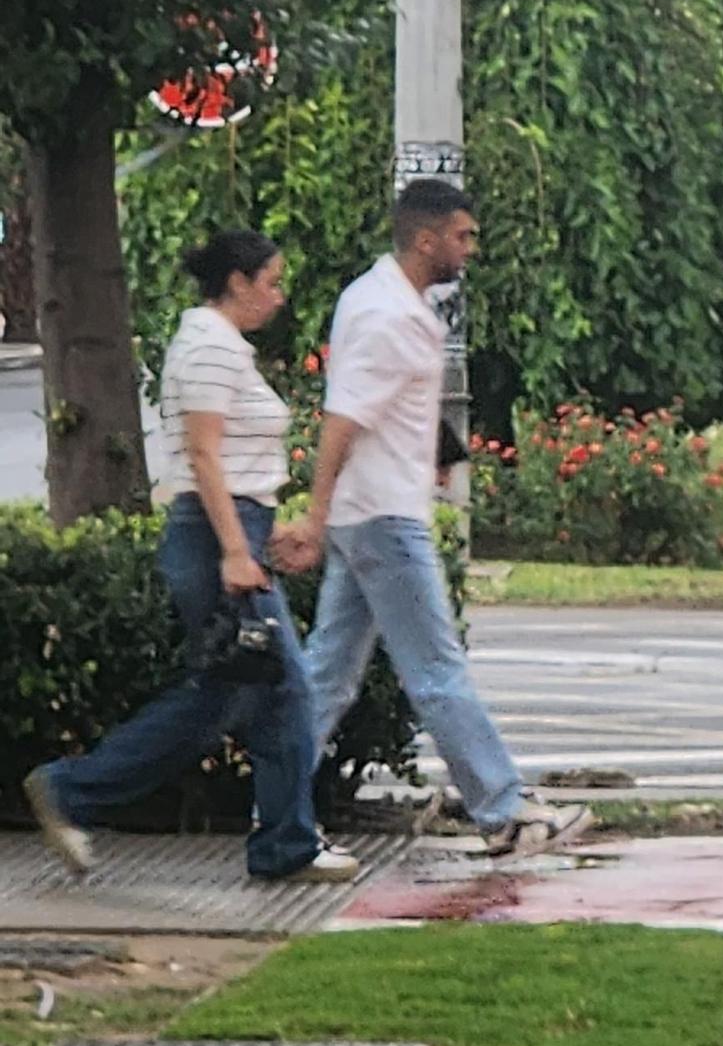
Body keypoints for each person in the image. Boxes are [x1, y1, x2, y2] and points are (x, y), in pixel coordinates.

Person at [273, 179, 591, 859]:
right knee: (437, 671)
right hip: (385, 518)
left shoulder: (381, 302)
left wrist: (434, 455)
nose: (469, 248)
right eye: (462, 236)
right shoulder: (389, 315)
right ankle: (504, 811)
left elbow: (385, 407)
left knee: (327, 676)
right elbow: (344, 420)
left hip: (374, 511)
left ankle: (273, 810)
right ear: (426, 239)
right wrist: (315, 512)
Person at [26, 232, 356, 883]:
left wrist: (261, 534)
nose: (278, 295)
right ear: (237, 282)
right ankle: (76, 790)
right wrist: (236, 550)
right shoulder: (208, 346)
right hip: (212, 536)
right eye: (271, 281)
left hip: (228, 529)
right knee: (260, 690)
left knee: (259, 694)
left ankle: (282, 841)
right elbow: (203, 456)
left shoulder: (221, 346)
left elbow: (227, 463)